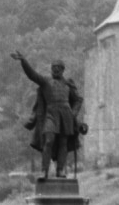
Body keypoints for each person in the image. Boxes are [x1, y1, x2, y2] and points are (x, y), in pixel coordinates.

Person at [11, 51, 84, 179]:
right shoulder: (45, 81)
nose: (55, 70)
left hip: (66, 115)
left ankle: (60, 170)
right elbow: (32, 75)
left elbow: (78, 99)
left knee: (63, 143)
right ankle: (44, 170)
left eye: (58, 68)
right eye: (53, 68)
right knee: (49, 140)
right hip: (51, 114)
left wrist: (73, 113)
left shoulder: (68, 84)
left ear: (62, 70)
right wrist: (23, 61)